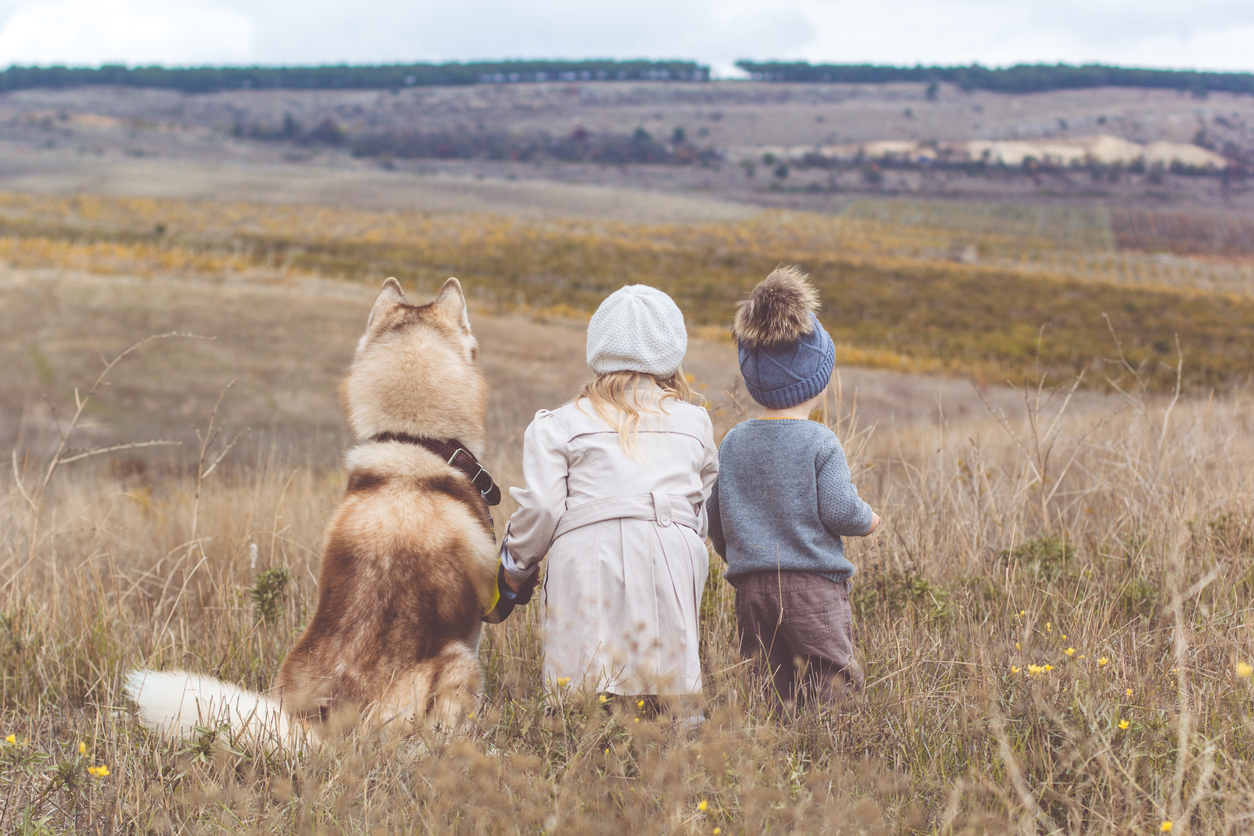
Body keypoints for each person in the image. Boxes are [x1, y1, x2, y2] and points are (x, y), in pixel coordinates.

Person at [501, 285, 718, 715]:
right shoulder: (695, 423)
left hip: (587, 562)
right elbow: (702, 507)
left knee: (583, 693)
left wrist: (516, 565)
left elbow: (543, 508)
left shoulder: (559, 425)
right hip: (671, 554)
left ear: (598, 347)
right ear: (671, 351)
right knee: (671, 693)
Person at [707, 266, 880, 711]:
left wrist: (743, 554)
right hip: (812, 587)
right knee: (830, 682)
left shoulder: (734, 442)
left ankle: (774, 760)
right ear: (818, 381)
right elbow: (841, 510)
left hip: (751, 589)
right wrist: (868, 519)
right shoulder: (820, 440)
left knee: (768, 685)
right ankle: (829, 757)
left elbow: (716, 515)